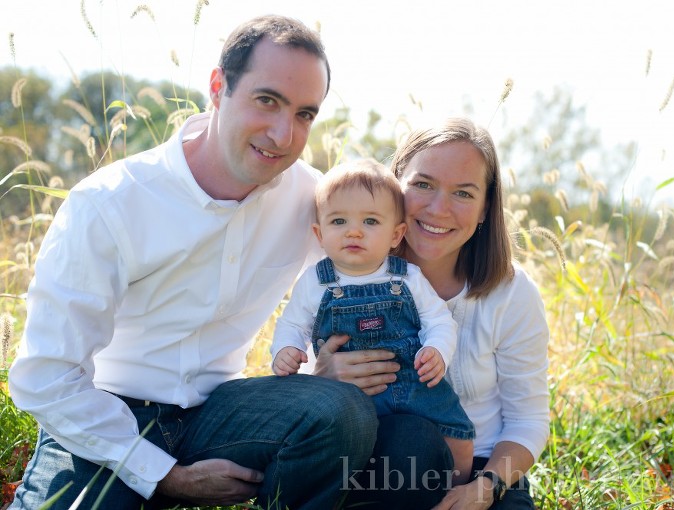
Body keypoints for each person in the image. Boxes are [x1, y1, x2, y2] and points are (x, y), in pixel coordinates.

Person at [8, 15, 378, 510]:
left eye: (304, 114)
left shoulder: (315, 200)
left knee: (341, 411)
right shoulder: (110, 203)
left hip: (221, 413)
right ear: (218, 87)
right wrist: (166, 477)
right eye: (267, 100)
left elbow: (373, 281)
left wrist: (322, 366)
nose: (282, 134)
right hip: (107, 418)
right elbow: (45, 377)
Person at [313, 118, 550, 509]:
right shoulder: (344, 273)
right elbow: (297, 380)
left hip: (483, 470)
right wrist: (322, 379)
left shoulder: (512, 293)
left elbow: (528, 420)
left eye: (463, 193)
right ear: (395, 186)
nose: (439, 209)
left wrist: (484, 488)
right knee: (413, 439)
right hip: (381, 464)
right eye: (423, 184)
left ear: (485, 209)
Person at [270, 159, 475, 484]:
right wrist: (286, 349)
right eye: (339, 221)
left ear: (396, 234)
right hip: (349, 395)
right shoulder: (315, 282)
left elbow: (439, 321)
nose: (354, 231)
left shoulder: (407, 277)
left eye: (370, 221)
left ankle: (457, 493)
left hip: (415, 381)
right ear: (319, 233)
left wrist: (437, 350)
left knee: (458, 435)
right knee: (333, 444)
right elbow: (292, 325)